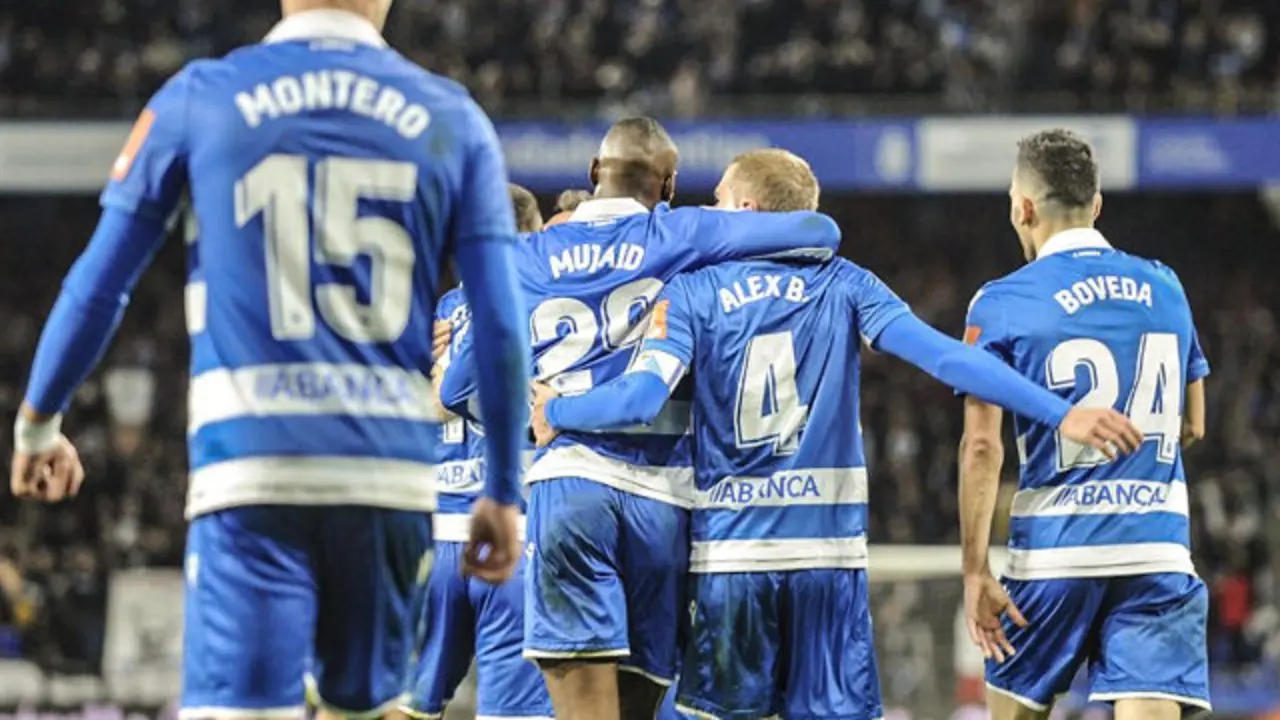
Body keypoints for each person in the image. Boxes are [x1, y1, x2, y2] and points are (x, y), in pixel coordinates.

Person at [9, 2, 530, 718]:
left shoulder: (203, 96)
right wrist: (503, 491)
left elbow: (100, 283)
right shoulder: (452, 116)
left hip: (252, 467)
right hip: (388, 477)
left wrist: (39, 422)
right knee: (366, 710)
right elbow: (501, 325)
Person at [529, 149, 1144, 719]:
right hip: (830, 563)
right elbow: (949, 359)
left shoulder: (693, 293)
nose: (708, 214)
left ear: (746, 211)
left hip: (734, 564)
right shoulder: (847, 283)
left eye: (717, 202)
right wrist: (1058, 411)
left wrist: (558, 410)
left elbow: (639, 398)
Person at [436, 118, 845, 720]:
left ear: (593, 173)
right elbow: (820, 230)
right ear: (670, 184)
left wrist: (535, 408)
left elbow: (458, 388)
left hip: (570, 490)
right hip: (664, 502)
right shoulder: (684, 232)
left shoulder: (522, 256)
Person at [956, 129, 1212, 720]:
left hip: (1052, 559)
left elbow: (981, 447)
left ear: (1022, 207)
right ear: (1096, 206)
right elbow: (1193, 424)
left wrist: (974, 571)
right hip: (1156, 553)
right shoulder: (1166, 284)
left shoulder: (999, 301)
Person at [400, 184, 553, 720]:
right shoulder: (541, 301)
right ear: (531, 238)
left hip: (439, 535)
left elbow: (426, 406)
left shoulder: (444, 308)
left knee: (407, 706)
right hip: (513, 536)